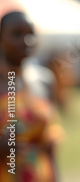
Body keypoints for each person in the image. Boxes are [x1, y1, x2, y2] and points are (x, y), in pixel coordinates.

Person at [0, 11, 62, 182]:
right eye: (17, 34)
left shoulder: (45, 81)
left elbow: (50, 148)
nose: (26, 41)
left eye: (30, 34)